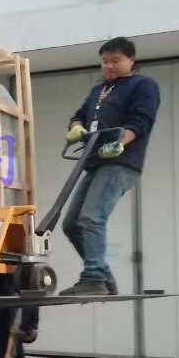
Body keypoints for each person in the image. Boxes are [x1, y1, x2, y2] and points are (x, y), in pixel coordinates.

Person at [59, 37, 161, 297]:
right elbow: (79, 115)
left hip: (120, 162)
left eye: (115, 61)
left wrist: (120, 143)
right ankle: (104, 278)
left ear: (131, 60)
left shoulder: (143, 86)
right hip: (95, 162)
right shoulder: (99, 91)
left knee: (91, 217)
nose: (109, 66)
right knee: (71, 224)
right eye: (105, 61)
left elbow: (141, 121)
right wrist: (76, 127)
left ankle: (94, 278)